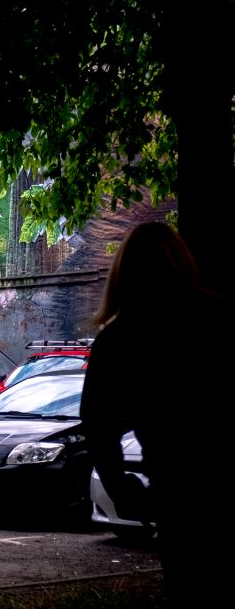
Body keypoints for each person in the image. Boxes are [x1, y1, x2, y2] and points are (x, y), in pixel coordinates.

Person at [80, 221, 226, 608]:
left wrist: (119, 484)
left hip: (174, 487)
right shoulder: (217, 318)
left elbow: (96, 423)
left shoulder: (118, 339)